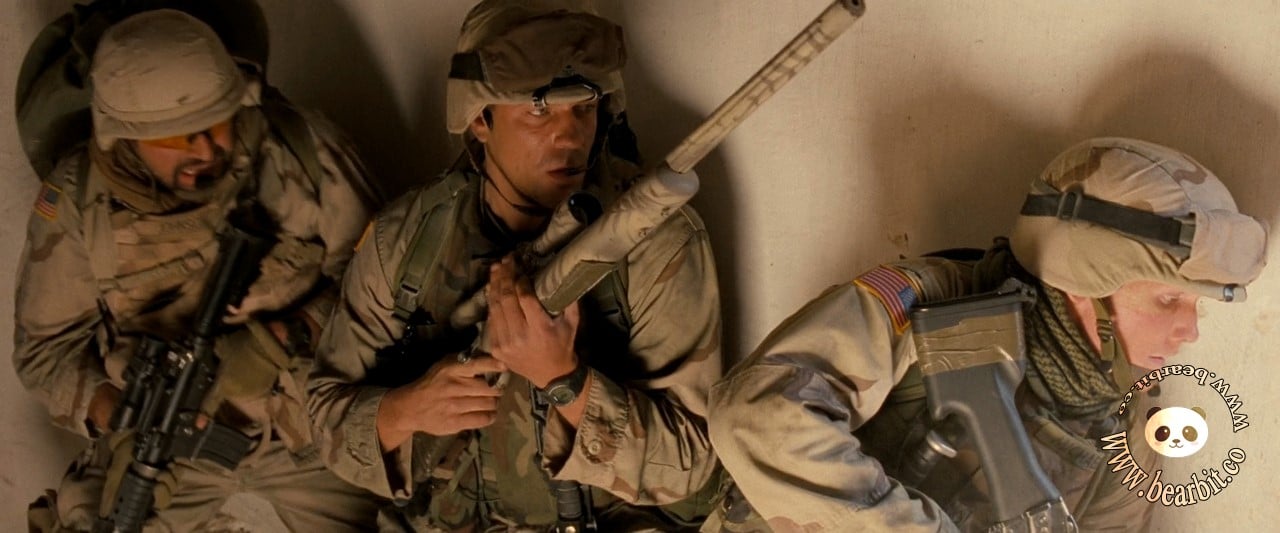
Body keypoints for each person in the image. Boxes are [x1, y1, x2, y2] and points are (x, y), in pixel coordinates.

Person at [703, 137, 1268, 532]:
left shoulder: (1126, 422)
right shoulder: (931, 304)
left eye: (1195, 305)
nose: (1189, 331)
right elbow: (758, 414)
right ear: (1083, 284)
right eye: (1168, 300)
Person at [305, 0, 724, 531]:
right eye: (539, 111)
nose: (570, 137)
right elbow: (325, 419)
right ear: (480, 119)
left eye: (584, 108)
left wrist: (564, 381)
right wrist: (407, 410)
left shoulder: (651, 237)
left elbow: (690, 464)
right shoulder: (405, 239)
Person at [14, 9, 382, 531]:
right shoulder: (77, 201)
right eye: (177, 138)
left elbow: (386, 278)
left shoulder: (297, 149)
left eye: (217, 124)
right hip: (167, 451)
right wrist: (116, 414)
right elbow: (44, 352)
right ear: (124, 136)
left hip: (313, 426)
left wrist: (288, 335)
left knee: (411, 514)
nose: (206, 149)